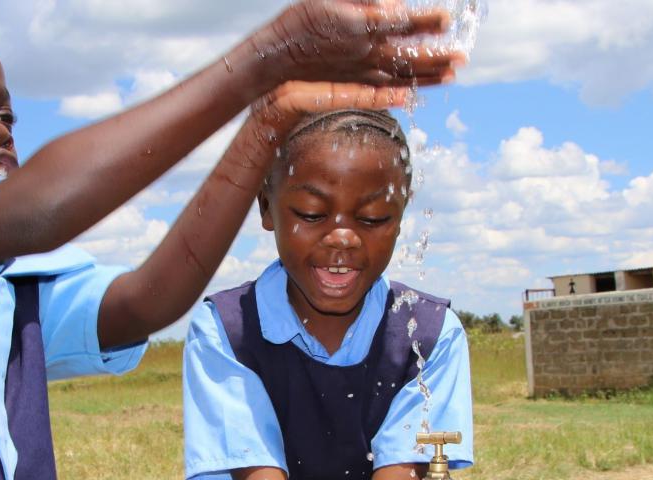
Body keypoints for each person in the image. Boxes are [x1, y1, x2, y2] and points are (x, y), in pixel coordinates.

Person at [0, 3, 460, 479]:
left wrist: (268, 120)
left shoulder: (2, 292)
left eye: (5, 112)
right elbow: (42, 210)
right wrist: (265, 57)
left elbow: (146, 302)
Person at [182, 109, 475, 479]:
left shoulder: (430, 335)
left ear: (400, 215)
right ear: (266, 205)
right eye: (310, 213)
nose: (342, 238)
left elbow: (404, 470)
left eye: (372, 219)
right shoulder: (227, 331)